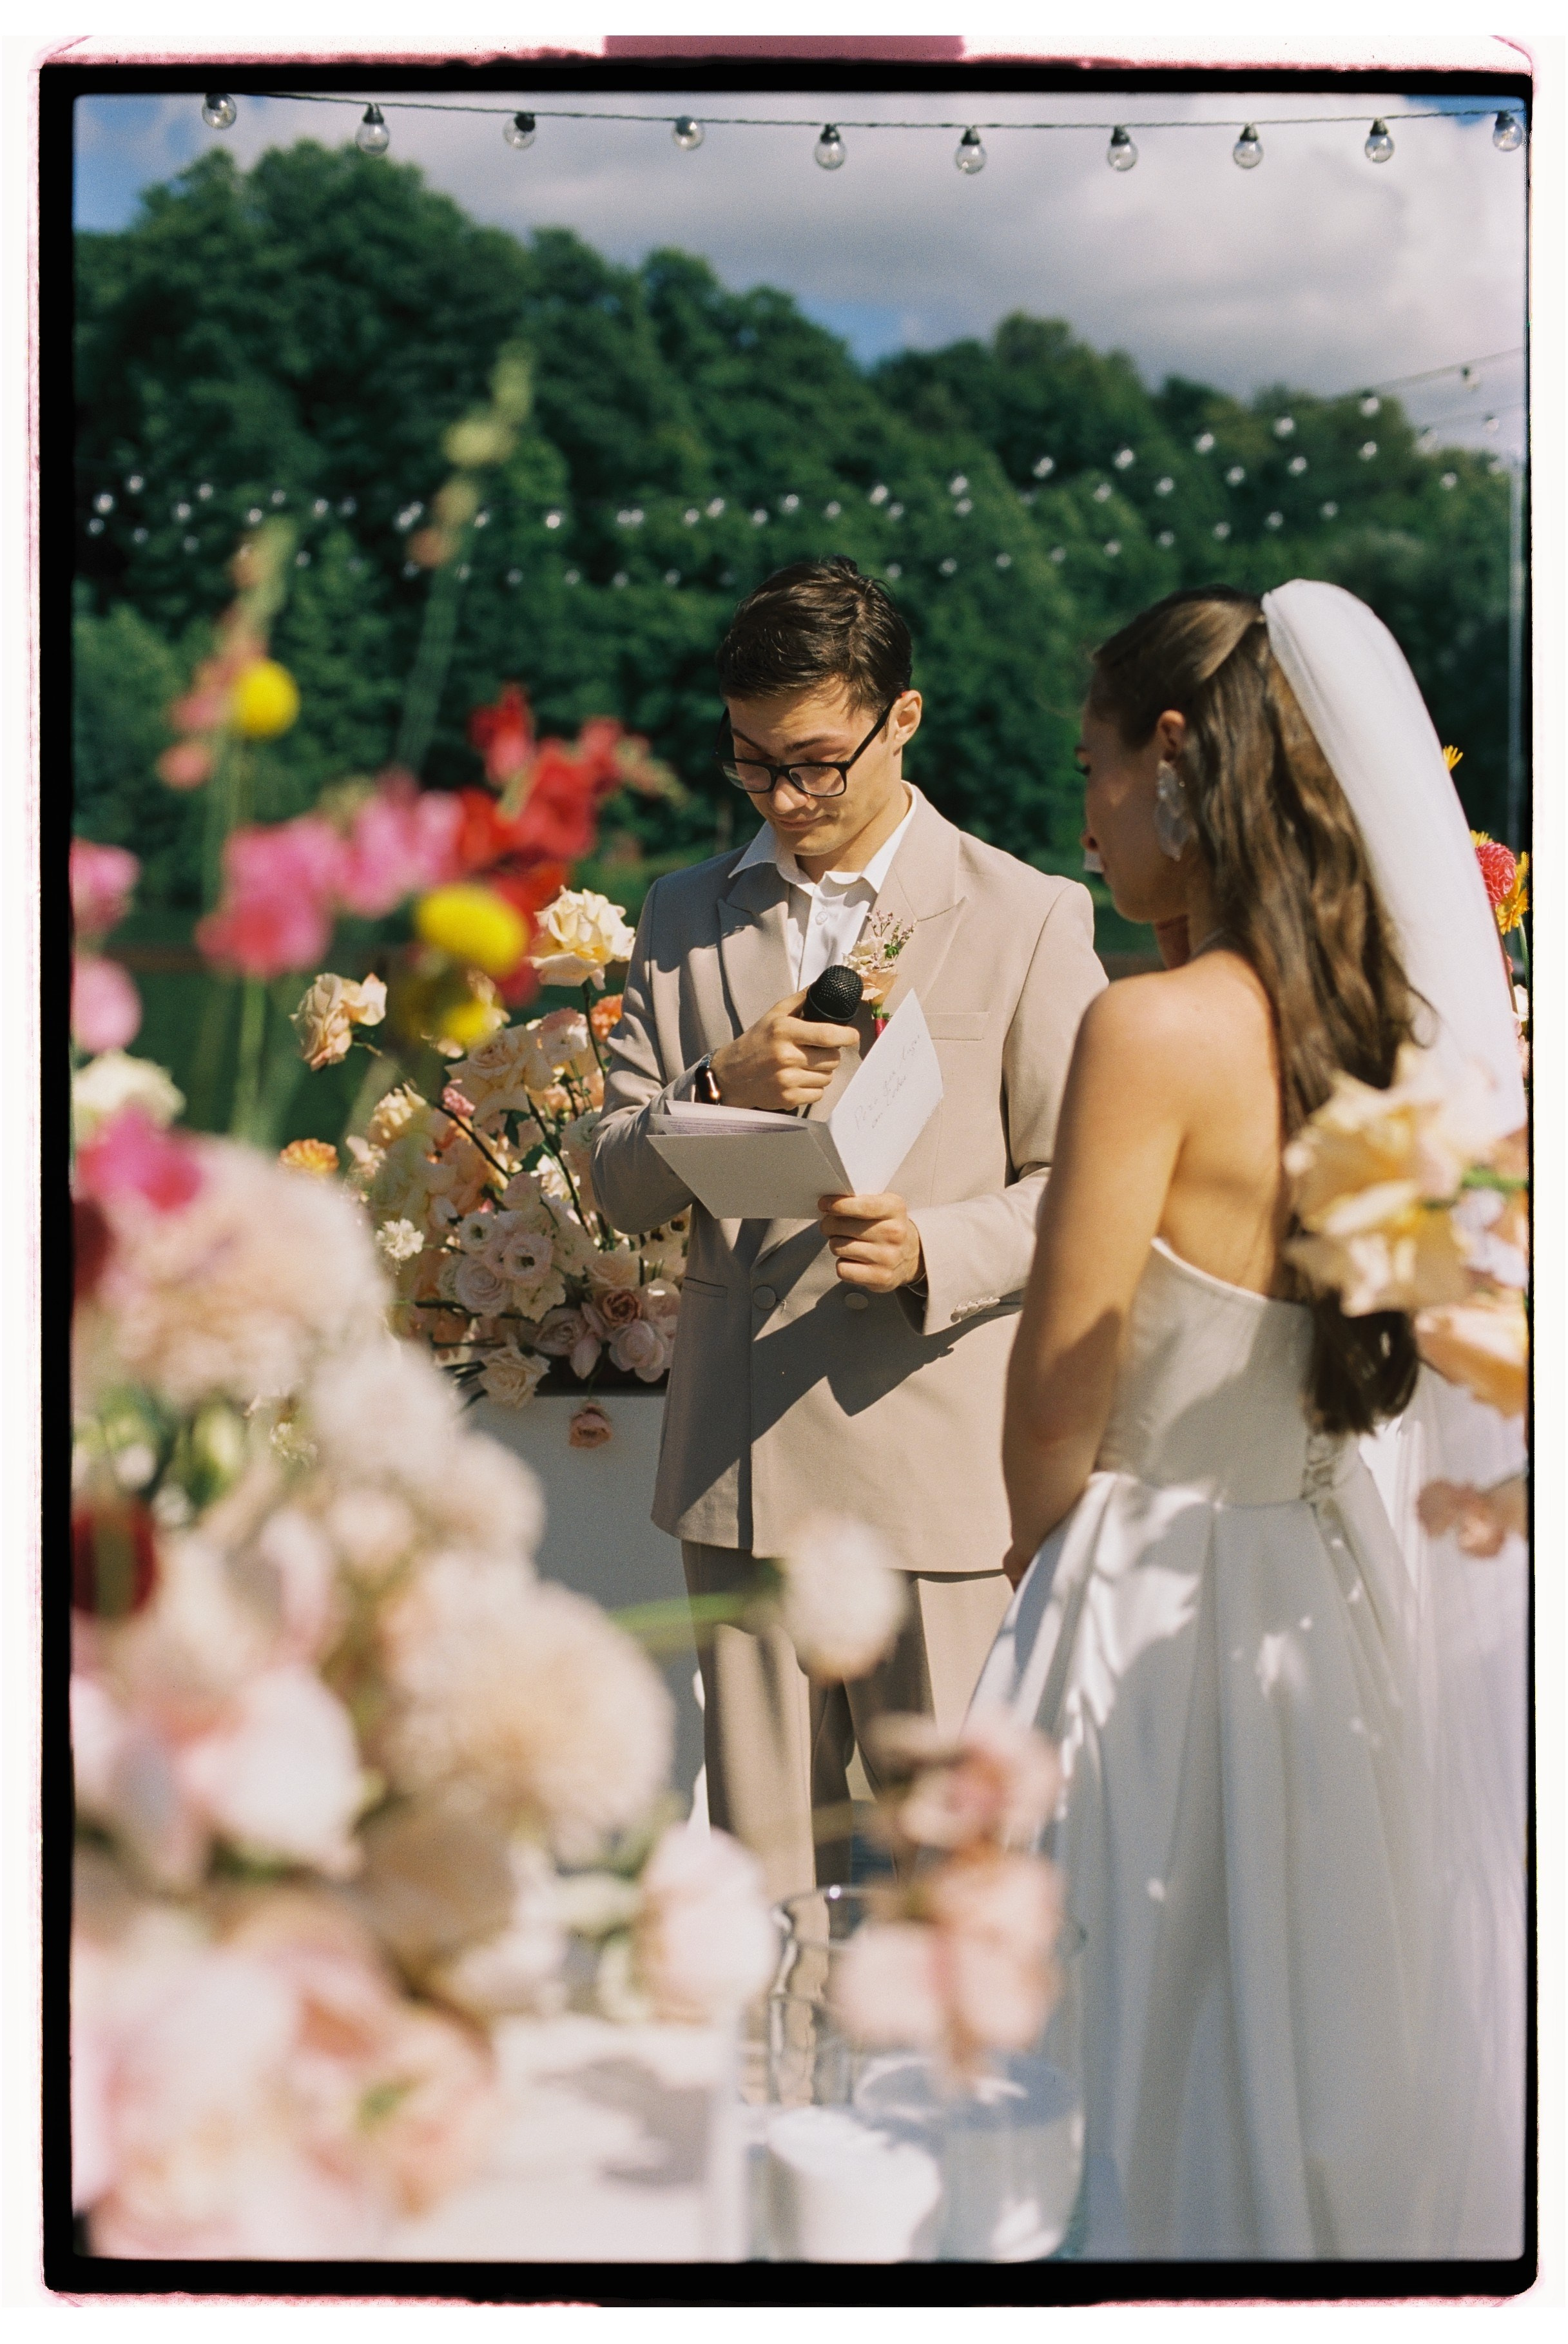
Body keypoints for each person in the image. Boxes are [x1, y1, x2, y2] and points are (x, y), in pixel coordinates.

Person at [972, 580, 1527, 2260]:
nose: (1084, 821)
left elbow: (1060, 1380)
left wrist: (1028, 1563)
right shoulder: (1396, 1038)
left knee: (1115, 2034)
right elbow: (1458, 1339)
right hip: (1324, 1601)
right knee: (1304, 2031)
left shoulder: (1146, 1029)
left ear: (1170, 755)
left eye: (1089, 771)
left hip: (1143, 1589)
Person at [592, 557, 1106, 1901]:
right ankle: (757, 2106)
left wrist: (938, 1247)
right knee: (754, 1882)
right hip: (738, 1463)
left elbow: (1081, 1182)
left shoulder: (1031, 914)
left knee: (947, 1882)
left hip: (934, 1466)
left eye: (816, 761)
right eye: (753, 764)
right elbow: (612, 1181)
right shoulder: (678, 914)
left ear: (904, 719)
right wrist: (716, 1089)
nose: (785, 797)